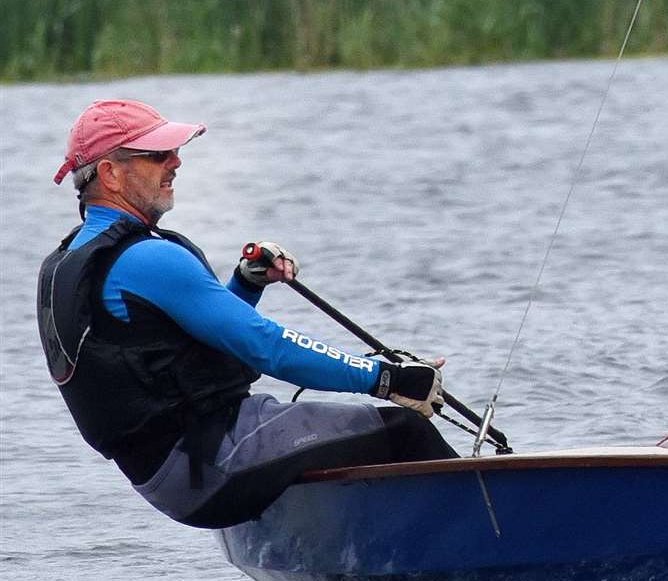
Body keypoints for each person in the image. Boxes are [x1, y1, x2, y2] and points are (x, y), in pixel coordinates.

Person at [37, 99, 458, 530]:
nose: (176, 162)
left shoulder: (69, 260)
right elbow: (266, 347)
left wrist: (246, 284)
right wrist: (388, 378)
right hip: (211, 461)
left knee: (342, 437)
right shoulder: (146, 259)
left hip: (174, 475)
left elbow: (183, 351)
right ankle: (484, 551)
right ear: (110, 173)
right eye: (158, 154)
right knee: (406, 429)